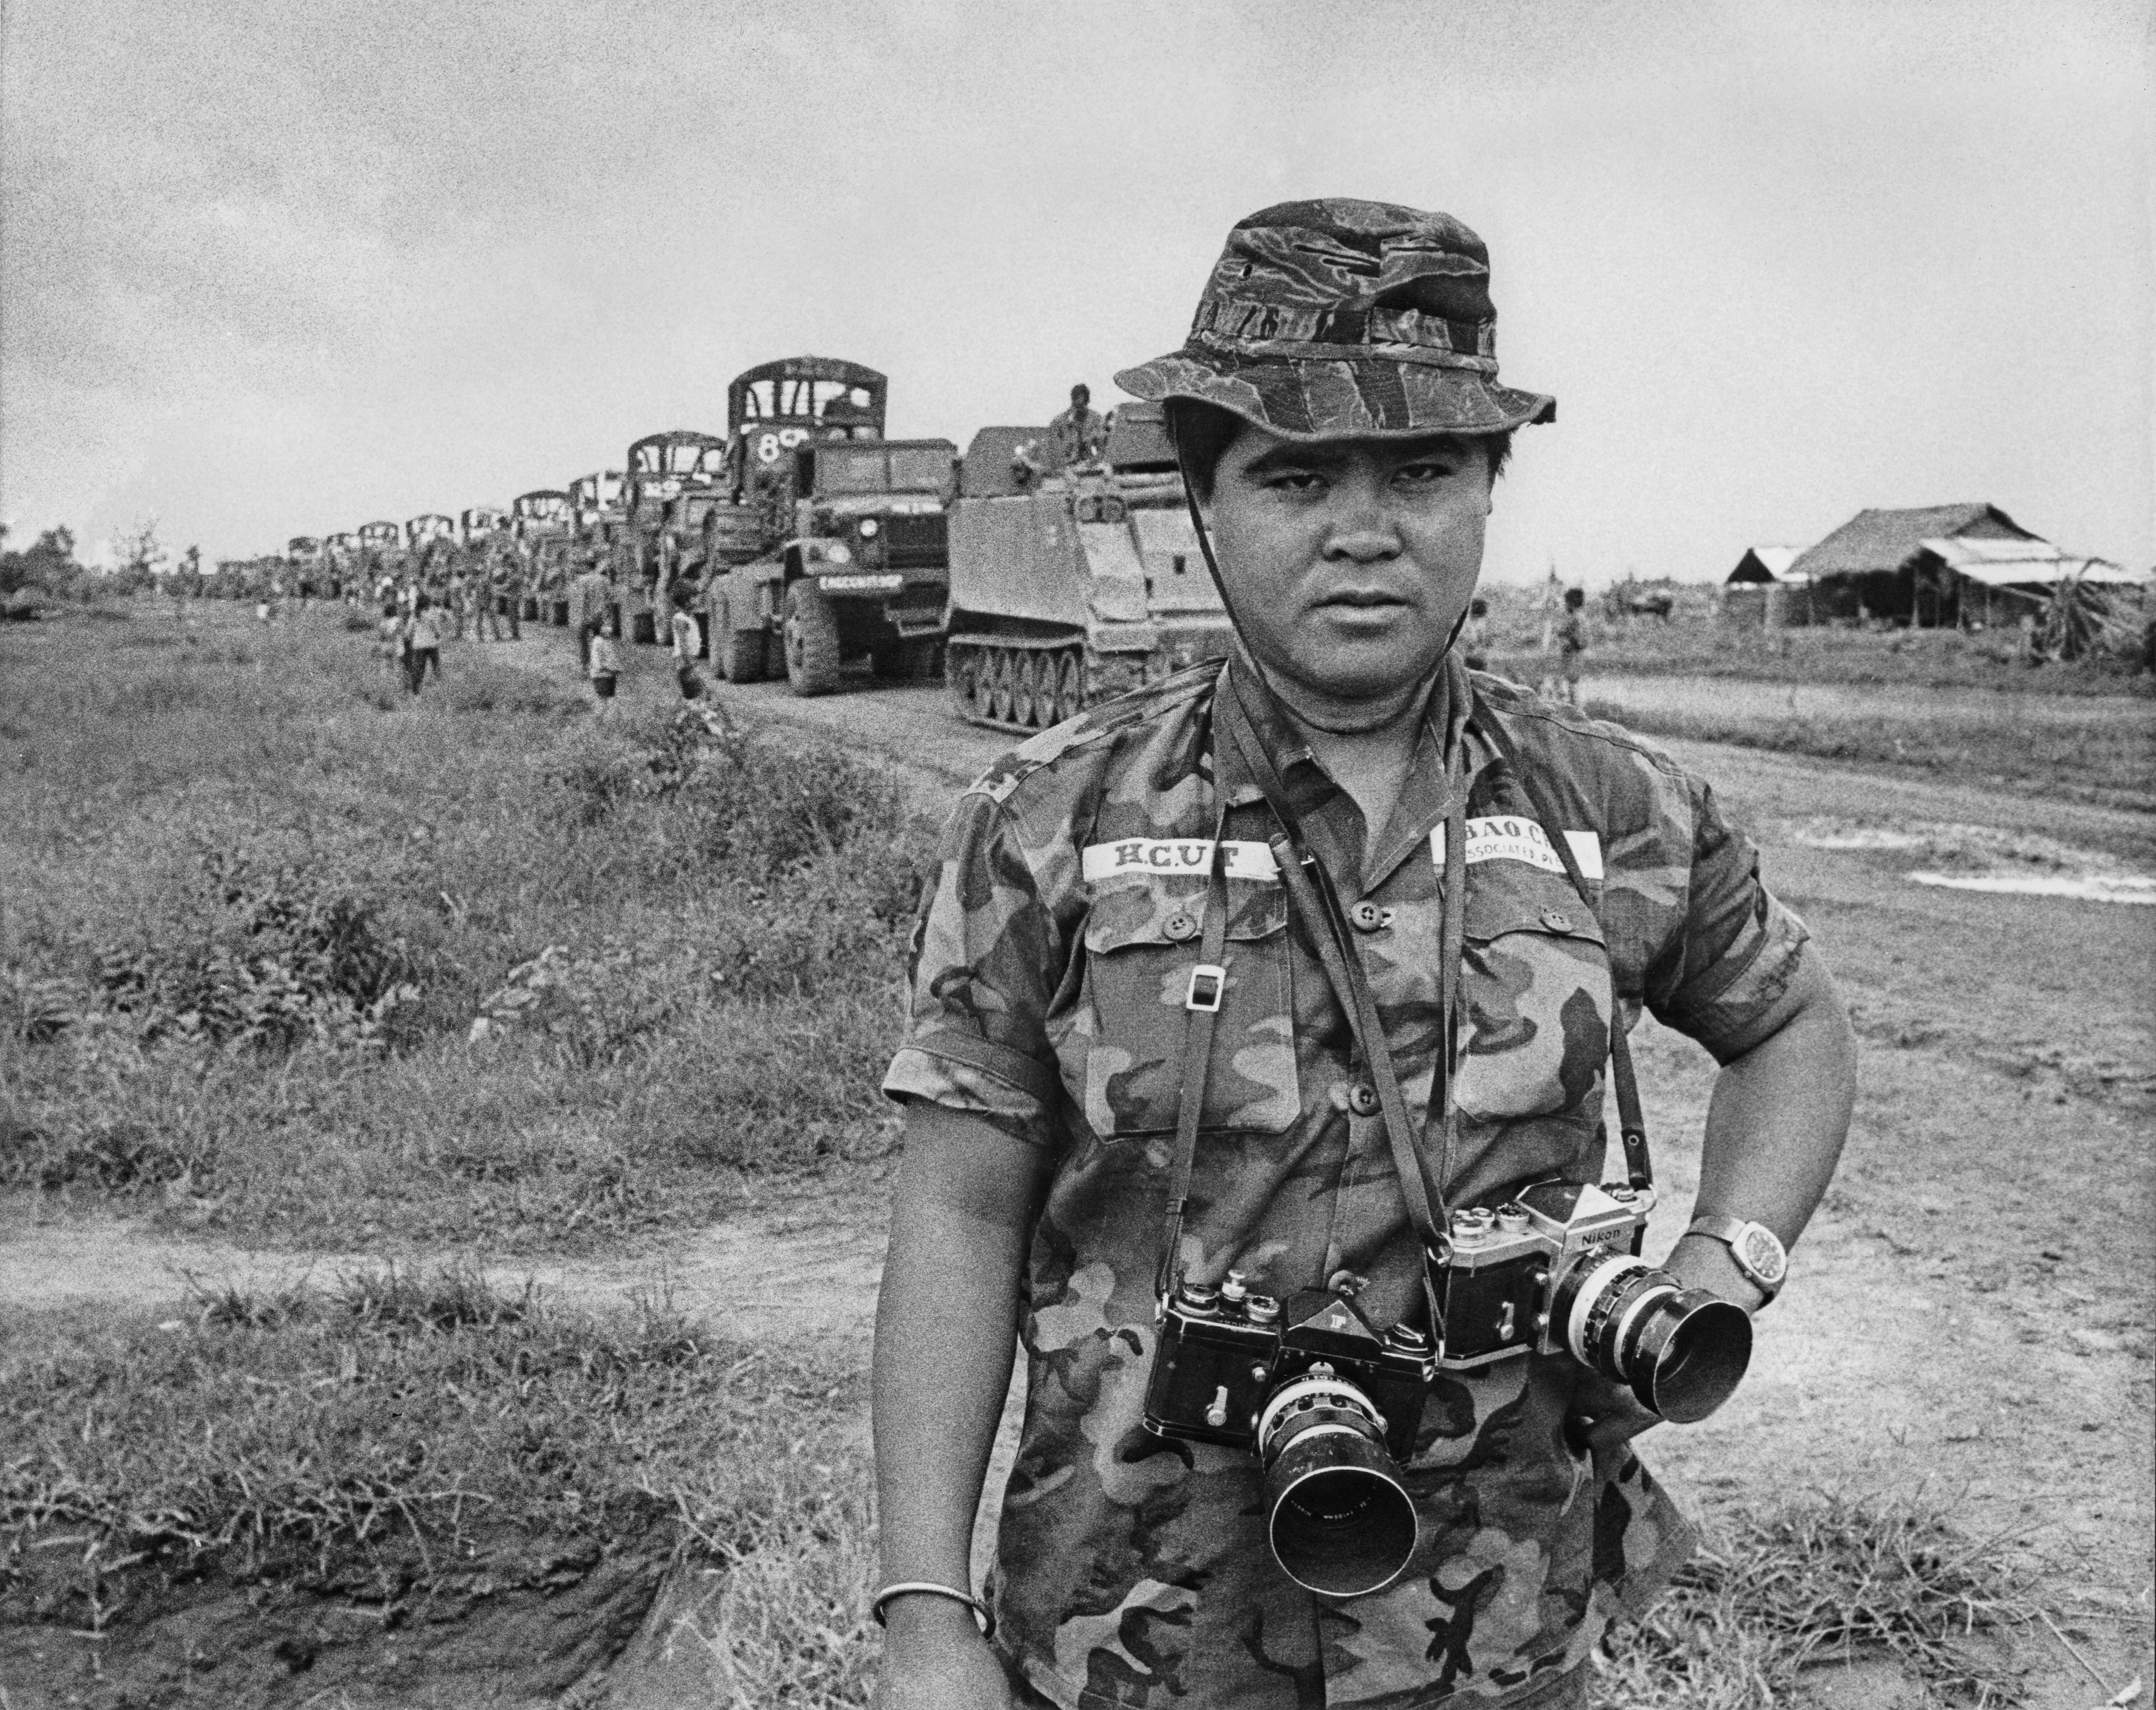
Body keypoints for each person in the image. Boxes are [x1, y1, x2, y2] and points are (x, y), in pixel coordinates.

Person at [870, 199, 1856, 1710]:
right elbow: (956, 1216)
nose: (1364, 531)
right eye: (1296, 475)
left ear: (1483, 490)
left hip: (1505, 1637)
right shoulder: (1051, 819)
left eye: (1422, 472)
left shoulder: (1615, 810)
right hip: (1138, 1637)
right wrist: (926, 1619)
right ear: (1205, 501)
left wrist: (1724, 1264)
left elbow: (1792, 1028)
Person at [1555, 587, 1590, 707]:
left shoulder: (1578, 618)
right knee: (1569, 682)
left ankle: (1575, 709)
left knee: (1573, 682)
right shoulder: (1572, 617)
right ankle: (1572, 707)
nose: (1566, 605)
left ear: (1572, 603)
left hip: (1575, 654)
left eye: (1567, 602)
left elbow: (1582, 642)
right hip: (1570, 654)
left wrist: (1569, 637)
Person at [669, 583, 705, 699]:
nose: (698, 599)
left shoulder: (689, 617)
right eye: (695, 597)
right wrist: (689, 664)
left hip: (689, 659)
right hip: (684, 660)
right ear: (687, 601)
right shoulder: (680, 619)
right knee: (695, 694)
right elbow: (683, 643)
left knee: (695, 694)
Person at [402, 592, 443, 694]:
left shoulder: (414, 616)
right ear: (428, 603)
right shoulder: (432, 614)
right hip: (432, 644)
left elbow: (408, 634)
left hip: (419, 645)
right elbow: (437, 631)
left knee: (419, 670)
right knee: (436, 668)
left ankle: (416, 693)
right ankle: (442, 690)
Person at [586, 620, 621, 709]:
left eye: (609, 626)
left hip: (610, 675)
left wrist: (617, 668)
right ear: (599, 629)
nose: (609, 629)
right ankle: (598, 720)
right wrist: (606, 668)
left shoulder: (608, 642)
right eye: (605, 626)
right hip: (601, 676)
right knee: (603, 700)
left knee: (609, 700)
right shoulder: (598, 642)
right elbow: (597, 660)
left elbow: (612, 658)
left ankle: (604, 719)